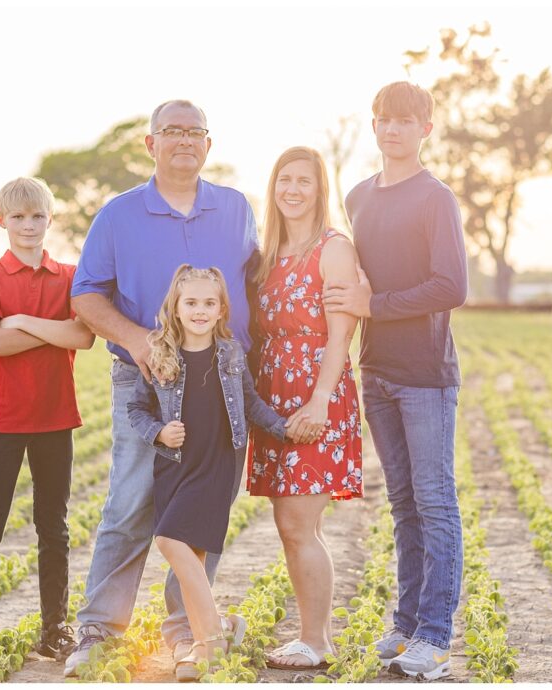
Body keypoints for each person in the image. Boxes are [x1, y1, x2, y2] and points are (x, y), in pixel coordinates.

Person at [67, 100, 261, 678]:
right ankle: (100, 632)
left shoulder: (235, 208)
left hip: (222, 383)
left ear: (209, 144)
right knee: (129, 505)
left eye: (194, 132)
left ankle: (187, 634)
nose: (183, 141)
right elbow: (86, 296)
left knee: (202, 511)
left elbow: (257, 283)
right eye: (171, 131)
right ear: (150, 144)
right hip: (146, 380)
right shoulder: (119, 215)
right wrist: (139, 341)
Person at [323, 81, 468, 681]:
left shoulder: (436, 199)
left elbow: (451, 286)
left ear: (425, 129)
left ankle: (435, 636)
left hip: (426, 376)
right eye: (382, 120)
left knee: (435, 502)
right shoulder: (357, 197)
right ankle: (406, 624)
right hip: (375, 371)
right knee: (403, 504)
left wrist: (375, 304)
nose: (391, 130)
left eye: (404, 121)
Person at [126, 265, 311, 681]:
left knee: (169, 541)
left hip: (217, 463)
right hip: (174, 464)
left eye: (209, 303)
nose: (200, 310)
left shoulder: (229, 353)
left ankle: (209, 640)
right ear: (175, 306)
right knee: (189, 554)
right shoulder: (159, 352)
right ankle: (213, 634)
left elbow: (251, 404)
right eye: (191, 302)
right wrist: (158, 432)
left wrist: (284, 427)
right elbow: (136, 408)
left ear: (222, 308)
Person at [0, 176, 96, 677]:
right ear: (1, 222)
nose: (28, 226)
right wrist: (50, 332)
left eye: (37, 217)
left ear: (50, 219)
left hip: (57, 418)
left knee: (53, 527)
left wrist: (24, 322)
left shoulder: (70, 275)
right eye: (18, 217)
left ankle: (54, 628)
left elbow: (84, 335)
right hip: (5, 420)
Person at [247, 146, 363, 671]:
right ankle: (309, 637)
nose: (292, 190)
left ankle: (316, 641)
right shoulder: (267, 255)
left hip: (317, 396)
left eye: (304, 182)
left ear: (320, 191)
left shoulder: (333, 249)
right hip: (273, 399)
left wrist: (318, 400)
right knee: (287, 522)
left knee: (300, 523)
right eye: (284, 180)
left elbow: (342, 337)